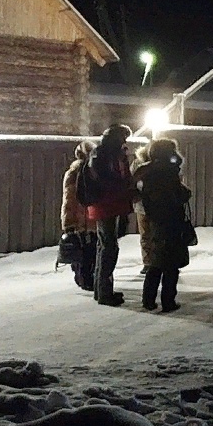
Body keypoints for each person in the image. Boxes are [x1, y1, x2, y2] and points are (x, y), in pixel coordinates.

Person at [132, 137, 192, 311]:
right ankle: (168, 301)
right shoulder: (167, 172)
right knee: (171, 265)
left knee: (156, 262)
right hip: (171, 219)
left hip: (155, 219)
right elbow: (178, 195)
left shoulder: (146, 171)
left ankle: (148, 299)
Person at [84, 125, 134, 306]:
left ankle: (102, 290)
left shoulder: (104, 153)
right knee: (108, 248)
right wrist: (124, 188)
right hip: (106, 204)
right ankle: (104, 292)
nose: (125, 142)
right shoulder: (104, 154)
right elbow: (107, 180)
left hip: (107, 204)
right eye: (123, 138)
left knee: (105, 247)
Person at [61, 141, 98, 290]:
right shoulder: (77, 172)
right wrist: (71, 222)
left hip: (86, 218)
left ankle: (87, 278)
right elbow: (70, 199)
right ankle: (85, 279)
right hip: (82, 219)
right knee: (84, 251)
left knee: (90, 250)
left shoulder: (87, 171)